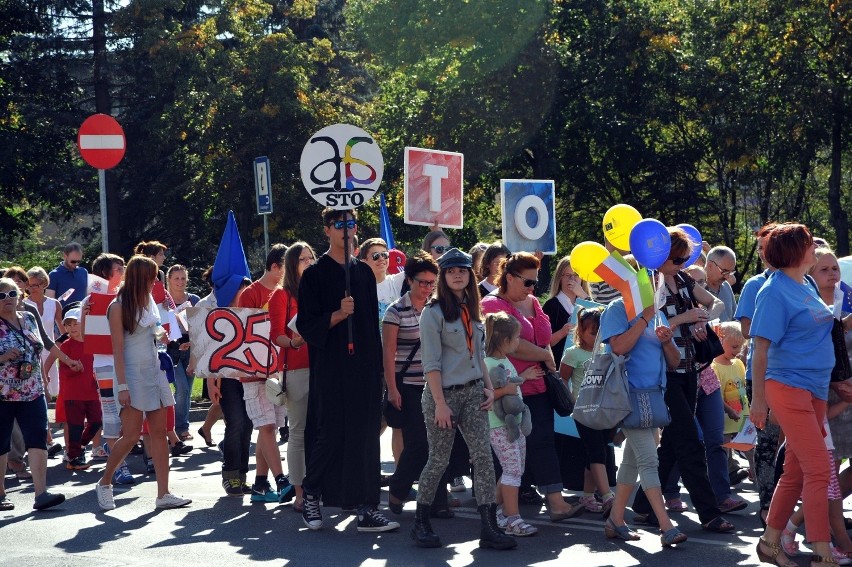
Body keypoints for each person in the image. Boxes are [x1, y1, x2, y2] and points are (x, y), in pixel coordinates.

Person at [751, 223, 852, 567]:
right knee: (819, 469)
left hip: (815, 390)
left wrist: (838, 382)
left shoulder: (805, 283)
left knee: (795, 472)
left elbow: (823, 333)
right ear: (796, 252)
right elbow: (759, 349)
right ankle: (822, 553)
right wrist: (758, 400)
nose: (816, 248)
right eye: (810, 244)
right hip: (787, 388)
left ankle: (769, 543)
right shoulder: (773, 291)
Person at [297, 208, 398, 533]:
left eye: (351, 223)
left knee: (366, 437)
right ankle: (311, 492)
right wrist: (337, 316)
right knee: (333, 434)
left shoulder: (365, 274)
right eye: (339, 224)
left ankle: (367, 507)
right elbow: (307, 325)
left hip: (366, 369)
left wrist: (382, 371)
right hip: (332, 369)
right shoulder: (314, 274)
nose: (346, 229)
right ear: (327, 230)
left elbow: (372, 325)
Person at [630, 227, 735, 534]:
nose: (680, 264)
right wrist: (683, 319)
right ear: (660, 255)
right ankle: (709, 512)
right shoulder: (648, 285)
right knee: (690, 442)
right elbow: (646, 326)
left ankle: (642, 504)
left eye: (684, 259)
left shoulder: (685, 279)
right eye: (676, 259)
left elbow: (717, 304)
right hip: (663, 373)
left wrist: (702, 316)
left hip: (691, 369)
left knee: (674, 443)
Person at [410, 248, 514, 550]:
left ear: (470, 275)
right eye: (452, 270)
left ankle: (488, 527)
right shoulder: (433, 312)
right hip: (443, 396)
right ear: (443, 276)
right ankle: (420, 523)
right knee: (438, 460)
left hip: (472, 393)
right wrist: (441, 404)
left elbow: (477, 354)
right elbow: (431, 364)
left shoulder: (472, 309)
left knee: (483, 457)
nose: (458, 274)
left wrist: (487, 386)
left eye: (463, 270)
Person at [481, 252, 582, 521]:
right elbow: (512, 343)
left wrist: (549, 364)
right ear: (509, 277)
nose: (532, 288)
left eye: (535, 283)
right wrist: (546, 357)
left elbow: (543, 338)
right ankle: (493, 508)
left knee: (542, 444)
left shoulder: (534, 301)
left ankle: (553, 502)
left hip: (538, 386)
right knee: (509, 453)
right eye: (527, 282)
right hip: (509, 389)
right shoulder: (491, 304)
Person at [94, 256, 190, 510]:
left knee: (159, 434)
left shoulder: (148, 301)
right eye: (152, 277)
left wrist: (162, 335)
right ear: (140, 278)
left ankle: (163, 494)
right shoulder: (117, 307)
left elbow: (155, 329)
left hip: (154, 371)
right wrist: (123, 387)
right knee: (131, 435)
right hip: (131, 376)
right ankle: (105, 483)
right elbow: (118, 349)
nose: (155, 283)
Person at [599, 296, 687, 546]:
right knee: (649, 460)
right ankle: (666, 526)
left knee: (632, 461)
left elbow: (674, 361)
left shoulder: (655, 312)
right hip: (627, 396)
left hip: (653, 396)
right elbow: (617, 347)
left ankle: (615, 519)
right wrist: (645, 318)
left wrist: (668, 341)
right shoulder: (617, 309)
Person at [382, 252, 455, 517]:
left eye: (431, 282)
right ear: (410, 280)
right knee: (419, 445)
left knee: (441, 442)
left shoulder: (438, 307)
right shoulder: (395, 311)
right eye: (422, 282)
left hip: (437, 385)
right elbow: (388, 353)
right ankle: (398, 489)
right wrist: (392, 389)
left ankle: (438, 501)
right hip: (409, 386)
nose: (426, 287)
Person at [0, 277, 65, 511]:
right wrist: (3, 357)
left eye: (11, 294)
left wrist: (44, 381)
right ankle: (0, 494)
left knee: (38, 441)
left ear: (19, 296)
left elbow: (40, 346)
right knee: (1, 444)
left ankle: (41, 494)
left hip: (32, 390)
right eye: (1, 296)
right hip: (3, 394)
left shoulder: (28, 318)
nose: (7, 299)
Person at [237, 243, 293, 503]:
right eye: (286, 267)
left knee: (268, 427)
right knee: (267, 426)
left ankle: (260, 483)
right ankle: (282, 479)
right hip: (254, 372)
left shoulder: (288, 293)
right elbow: (242, 336)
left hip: (279, 370)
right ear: (274, 267)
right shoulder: (251, 294)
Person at [80, 253, 134, 484]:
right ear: (104, 274)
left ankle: (122, 457)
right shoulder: (89, 301)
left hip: (129, 364)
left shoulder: (128, 298)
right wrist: (86, 313)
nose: (123, 271)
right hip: (103, 366)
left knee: (130, 416)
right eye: (118, 268)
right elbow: (84, 337)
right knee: (111, 416)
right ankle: (119, 467)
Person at [270, 242, 315, 513]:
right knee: (298, 432)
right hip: (296, 369)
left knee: (319, 431)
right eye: (303, 259)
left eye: (311, 258)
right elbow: (277, 336)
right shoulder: (281, 295)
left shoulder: (318, 291)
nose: (309, 262)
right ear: (291, 264)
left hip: (322, 368)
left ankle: (317, 487)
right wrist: (295, 342)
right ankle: (300, 492)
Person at [485, 311, 539, 537]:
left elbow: (512, 384)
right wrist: (504, 390)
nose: (519, 342)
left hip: (513, 424)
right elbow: (484, 395)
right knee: (512, 470)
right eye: (516, 338)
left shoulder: (504, 360)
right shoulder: (486, 363)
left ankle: (496, 511)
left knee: (516, 469)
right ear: (504, 340)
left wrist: (522, 378)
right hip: (498, 425)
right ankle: (512, 519)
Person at [559, 307, 615, 514]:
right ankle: (608, 496)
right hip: (583, 410)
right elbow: (562, 378)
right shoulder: (573, 353)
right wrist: (570, 402)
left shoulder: (605, 350)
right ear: (580, 331)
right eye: (593, 333)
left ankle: (588, 496)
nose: (597, 337)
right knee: (598, 452)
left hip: (603, 410)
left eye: (600, 333)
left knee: (594, 453)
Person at [44, 307, 102, 470]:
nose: (72, 327)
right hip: (72, 393)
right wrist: (73, 369)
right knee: (75, 427)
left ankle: (78, 449)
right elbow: (63, 370)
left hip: (91, 392)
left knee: (96, 421)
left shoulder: (93, 342)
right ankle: (74, 459)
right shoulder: (66, 345)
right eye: (68, 325)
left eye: (76, 323)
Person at [711, 322, 752, 510]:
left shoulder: (739, 364)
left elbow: (742, 390)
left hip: (742, 418)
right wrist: (729, 410)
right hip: (725, 419)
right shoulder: (714, 366)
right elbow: (716, 396)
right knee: (722, 451)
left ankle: (758, 478)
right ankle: (722, 488)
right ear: (720, 339)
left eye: (741, 347)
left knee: (751, 448)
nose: (737, 351)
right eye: (734, 347)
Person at [165, 265, 200, 442]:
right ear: (169, 280)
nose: (180, 282)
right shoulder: (163, 300)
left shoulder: (194, 299)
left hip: (191, 349)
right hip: (171, 349)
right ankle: (180, 428)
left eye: (183, 278)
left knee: (186, 390)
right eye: (176, 278)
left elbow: (200, 327)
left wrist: (192, 344)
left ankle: (179, 427)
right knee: (182, 389)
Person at [24, 267, 63, 398]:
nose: (32, 288)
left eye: (35, 285)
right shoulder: (22, 305)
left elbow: (63, 330)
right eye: (29, 285)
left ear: (44, 284)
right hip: (32, 354)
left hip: (52, 352)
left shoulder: (55, 304)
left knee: (54, 393)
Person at [543, 255, 589, 361]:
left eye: (576, 275)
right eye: (568, 275)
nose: (572, 279)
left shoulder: (586, 302)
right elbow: (543, 343)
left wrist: (583, 295)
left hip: (584, 365)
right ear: (560, 278)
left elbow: (600, 320)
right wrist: (562, 332)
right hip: (560, 365)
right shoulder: (551, 305)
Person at [46, 242, 88, 307]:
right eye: (73, 261)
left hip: (82, 315)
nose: (76, 264)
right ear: (65, 256)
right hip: (63, 315)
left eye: (79, 261)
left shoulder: (83, 272)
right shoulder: (54, 275)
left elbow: (87, 296)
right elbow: (49, 303)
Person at [705, 246, 738, 322]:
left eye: (730, 272)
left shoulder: (726, 286)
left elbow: (735, 318)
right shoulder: (697, 289)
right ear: (710, 265)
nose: (727, 277)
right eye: (724, 271)